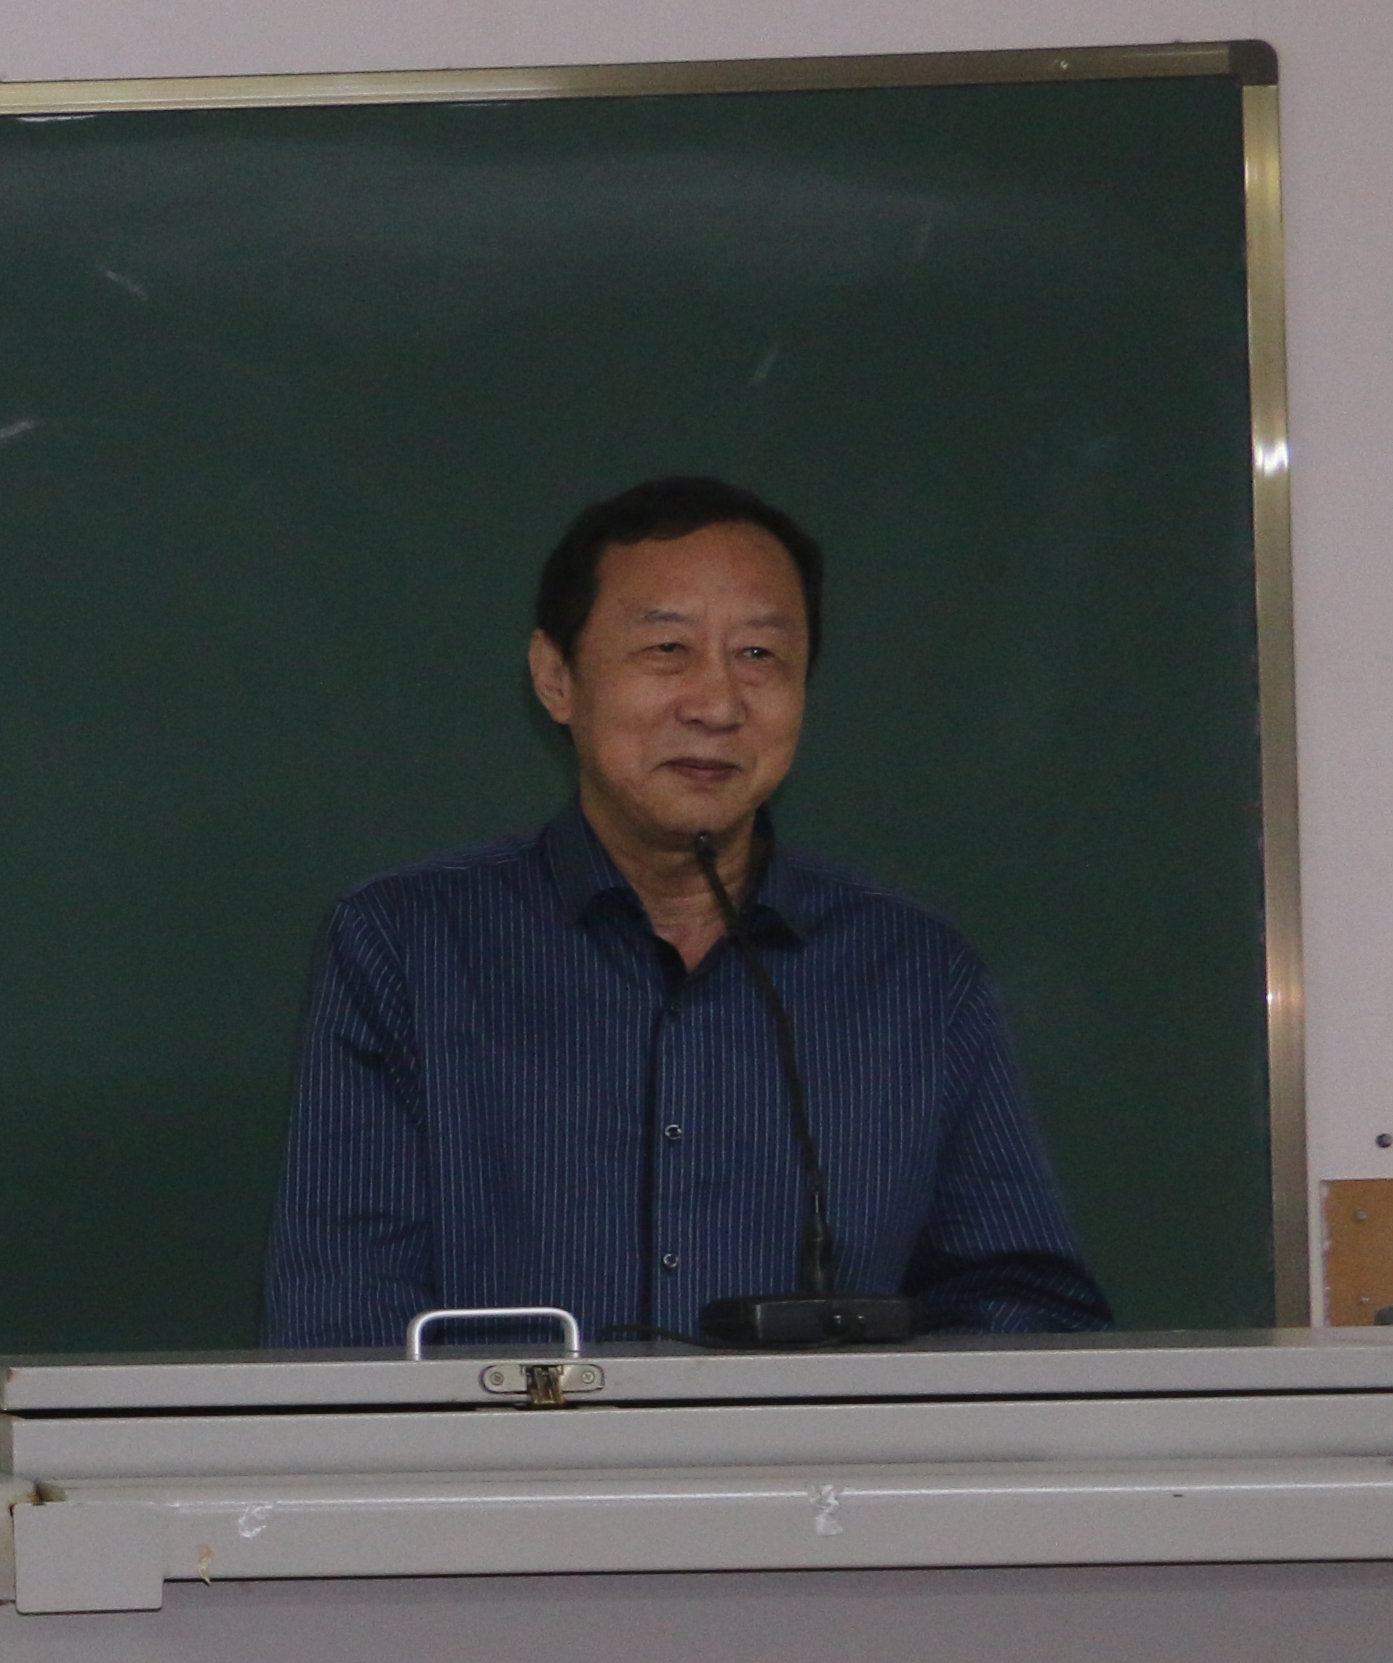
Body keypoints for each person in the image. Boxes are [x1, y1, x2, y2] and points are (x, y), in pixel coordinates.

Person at [264, 474, 1109, 1347]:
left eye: (760, 656)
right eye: (667, 648)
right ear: (556, 678)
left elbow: (1028, 1310)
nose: (716, 704)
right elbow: (339, 1320)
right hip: (507, 1443)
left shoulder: (913, 970)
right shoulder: (407, 945)